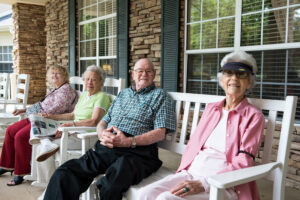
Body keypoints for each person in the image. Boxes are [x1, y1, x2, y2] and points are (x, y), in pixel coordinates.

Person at [137, 51, 265, 200]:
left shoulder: (254, 116)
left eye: (241, 74)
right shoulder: (212, 109)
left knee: (166, 198)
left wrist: (204, 183)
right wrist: (184, 174)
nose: (234, 78)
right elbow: (194, 145)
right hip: (191, 174)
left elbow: (245, 161)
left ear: (249, 82)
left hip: (224, 185)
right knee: (145, 194)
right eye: (228, 73)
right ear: (222, 79)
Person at [43, 58, 176, 200]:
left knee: (111, 184)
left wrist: (129, 141)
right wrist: (102, 134)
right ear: (132, 74)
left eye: (148, 71)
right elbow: (103, 122)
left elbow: (160, 133)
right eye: (140, 71)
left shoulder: (160, 96)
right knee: (64, 173)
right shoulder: (123, 94)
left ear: (154, 74)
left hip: (138, 153)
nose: (144, 74)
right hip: (108, 146)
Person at [32, 65, 111, 187]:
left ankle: (52, 185)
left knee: (43, 148)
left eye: (94, 79)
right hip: (71, 130)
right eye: (87, 79)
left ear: (101, 82)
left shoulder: (102, 97)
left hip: (86, 135)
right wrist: (52, 117)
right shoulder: (85, 95)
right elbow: (73, 115)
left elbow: (94, 121)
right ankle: (48, 182)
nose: (89, 82)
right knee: (39, 136)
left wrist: (71, 125)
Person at [0, 66, 78, 186]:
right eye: (52, 73)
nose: (54, 76)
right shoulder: (57, 89)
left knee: (20, 136)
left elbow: (55, 110)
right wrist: (24, 110)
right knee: (11, 130)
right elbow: (41, 104)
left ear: (65, 76)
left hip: (48, 121)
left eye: (58, 73)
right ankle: (7, 165)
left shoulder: (66, 91)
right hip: (37, 117)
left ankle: (21, 172)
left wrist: (33, 113)